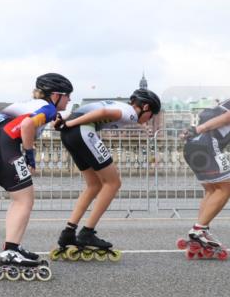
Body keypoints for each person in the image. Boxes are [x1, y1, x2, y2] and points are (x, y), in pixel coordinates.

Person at [0, 73, 73, 280]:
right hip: (3, 148)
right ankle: (11, 251)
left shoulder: (32, 103)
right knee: (25, 200)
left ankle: (12, 247)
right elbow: (28, 126)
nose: (69, 100)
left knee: (20, 199)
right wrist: (30, 156)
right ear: (56, 95)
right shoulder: (48, 108)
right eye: (67, 96)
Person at [52, 88, 161, 260]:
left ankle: (68, 232)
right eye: (152, 114)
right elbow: (102, 112)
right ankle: (87, 232)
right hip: (82, 132)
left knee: (94, 185)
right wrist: (71, 124)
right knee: (113, 183)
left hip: (69, 136)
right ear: (145, 107)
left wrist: (65, 122)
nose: (150, 119)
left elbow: (78, 113)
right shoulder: (130, 113)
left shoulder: (119, 104)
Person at [178, 97, 230, 259]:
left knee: (212, 189)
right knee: (225, 188)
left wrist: (195, 129)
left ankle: (200, 231)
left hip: (192, 146)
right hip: (207, 144)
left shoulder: (222, 103)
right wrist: (200, 129)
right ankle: (199, 230)